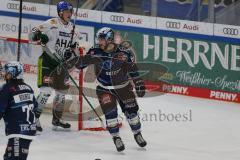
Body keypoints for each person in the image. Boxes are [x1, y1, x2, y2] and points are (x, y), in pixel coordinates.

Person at [71, 27, 147, 152]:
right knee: (110, 115)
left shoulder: (124, 52)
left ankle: (137, 133)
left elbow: (133, 69)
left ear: (109, 39)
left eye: (101, 39)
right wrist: (74, 56)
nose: (98, 42)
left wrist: (138, 83)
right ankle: (116, 137)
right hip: (104, 89)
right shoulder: (95, 52)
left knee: (132, 113)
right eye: (98, 39)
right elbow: (81, 64)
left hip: (123, 88)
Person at [29, 1, 79, 131]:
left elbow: (75, 49)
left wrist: (71, 54)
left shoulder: (73, 28)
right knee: (45, 92)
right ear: (60, 12)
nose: (70, 14)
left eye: (71, 11)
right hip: (48, 62)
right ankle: (34, 118)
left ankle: (57, 119)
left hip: (62, 66)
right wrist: (39, 36)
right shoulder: (51, 24)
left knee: (61, 94)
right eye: (67, 11)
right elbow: (32, 35)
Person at [0, 61, 38, 160]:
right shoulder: (28, 87)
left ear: (13, 73)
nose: (4, 75)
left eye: (7, 73)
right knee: (9, 157)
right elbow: (36, 106)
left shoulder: (7, 88)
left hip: (18, 132)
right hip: (29, 130)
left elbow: (1, 108)